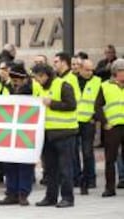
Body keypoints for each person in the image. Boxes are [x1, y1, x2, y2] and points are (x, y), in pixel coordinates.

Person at [0, 62, 42, 206]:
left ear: (23, 79)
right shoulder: (6, 87)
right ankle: (11, 193)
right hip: (9, 130)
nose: (14, 83)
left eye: (16, 80)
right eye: (12, 80)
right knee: (9, 163)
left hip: (26, 130)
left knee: (24, 164)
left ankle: (23, 194)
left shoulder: (34, 87)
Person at [33, 64, 77, 208]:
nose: (37, 80)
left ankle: (67, 198)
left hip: (64, 133)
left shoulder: (63, 85)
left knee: (65, 169)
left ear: (45, 75)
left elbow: (71, 105)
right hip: (47, 134)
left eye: (38, 77)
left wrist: (52, 103)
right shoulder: (39, 88)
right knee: (50, 169)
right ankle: (50, 197)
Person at [96, 58, 124, 197]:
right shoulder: (105, 85)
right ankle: (109, 188)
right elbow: (97, 106)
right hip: (112, 128)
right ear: (116, 72)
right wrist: (104, 122)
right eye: (123, 70)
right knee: (110, 159)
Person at [53, 52, 82, 187]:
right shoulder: (58, 78)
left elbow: (75, 100)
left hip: (69, 124)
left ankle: (76, 181)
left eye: (56, 61)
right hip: (58, 126)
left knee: (71, 159)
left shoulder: (71, 78)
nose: (54, 64)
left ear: (64, 62)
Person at [76, 60, 101, 194]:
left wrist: (95, 118)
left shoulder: (97, 81)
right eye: (87, 70)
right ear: (80, 69)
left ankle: (89, 179)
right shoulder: (73, 81)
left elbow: (101, 102)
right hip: (73, 121)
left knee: (87, 152)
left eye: (91, 70)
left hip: (88, 122)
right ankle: (77, 179)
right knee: (73, 153)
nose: (90, 72)